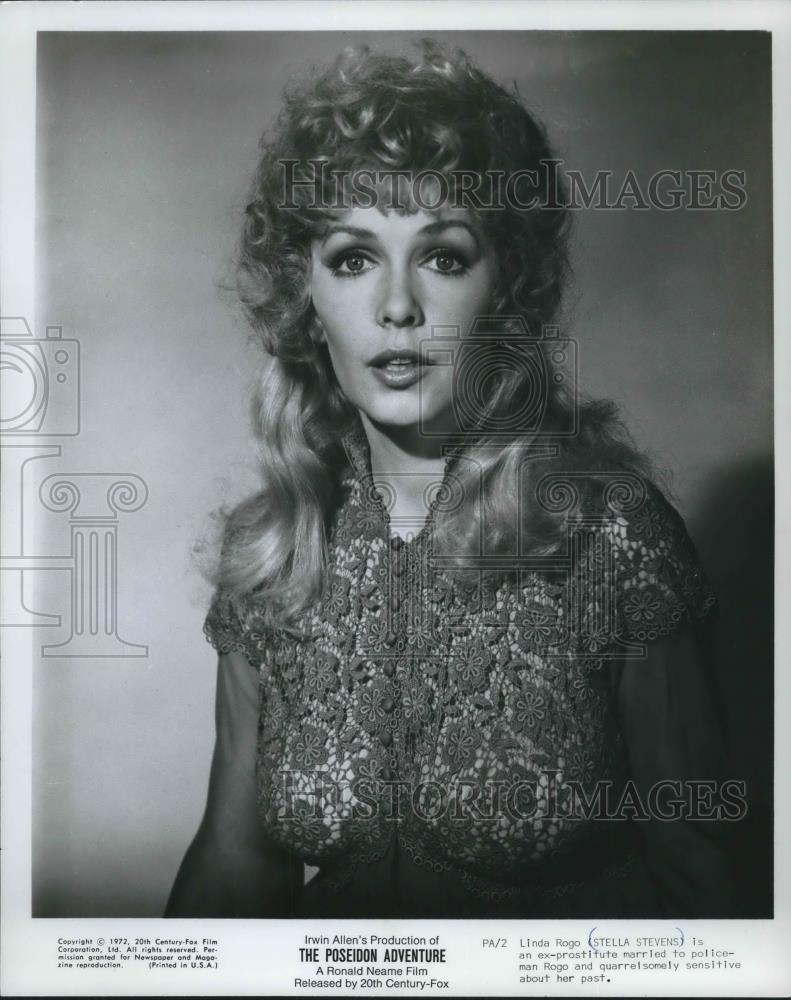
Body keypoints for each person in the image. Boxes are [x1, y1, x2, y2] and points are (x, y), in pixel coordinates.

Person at [166, 41, 738, 919]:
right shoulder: (272, 551)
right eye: (353, 259)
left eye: (442, 257)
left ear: (505, 287)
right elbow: (235, 865)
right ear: (304, 297)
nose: (398, 306)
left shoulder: (610, 535)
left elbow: (705, 879)